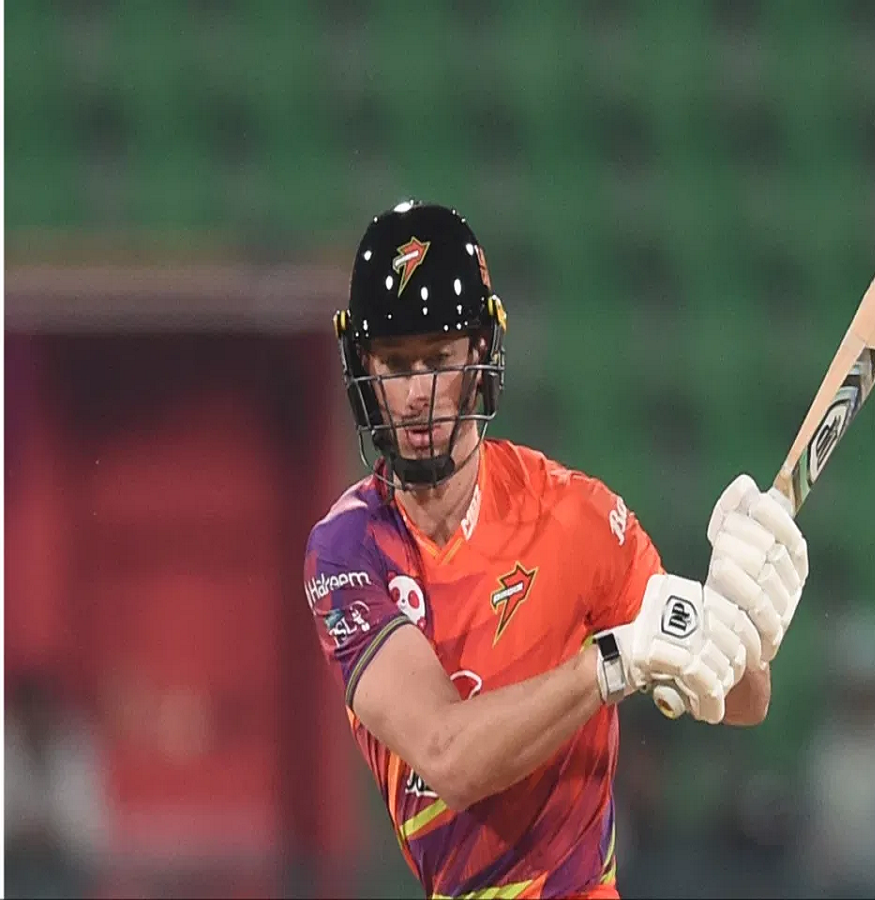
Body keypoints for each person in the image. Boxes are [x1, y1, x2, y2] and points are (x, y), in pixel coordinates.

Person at [303, 200, 810, 899]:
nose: (417, 393)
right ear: (362, 367)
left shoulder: (576, 516)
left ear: (479, 356)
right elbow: (448, 757)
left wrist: (741, 617)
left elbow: (739, 698)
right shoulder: (347, 549)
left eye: (439, 359)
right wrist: (611, 663)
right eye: (395, 363)